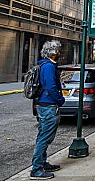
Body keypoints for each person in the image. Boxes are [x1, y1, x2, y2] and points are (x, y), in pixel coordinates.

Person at [30, 40, 65, 180]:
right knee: (45, 137)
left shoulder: (43, 64)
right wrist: (60, 100)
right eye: (58, 51)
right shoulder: (49, 67)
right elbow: (51, 87)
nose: (60, 53)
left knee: (43, 135)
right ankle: (37, 169)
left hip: (43, 104)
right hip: (49, 105)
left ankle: (42, 163)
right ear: (54, 52)